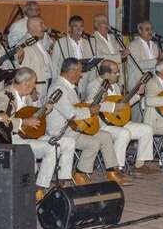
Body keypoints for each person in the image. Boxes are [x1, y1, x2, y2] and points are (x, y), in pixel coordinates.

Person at [0, 67, 77, 200]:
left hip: (30, 135)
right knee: (51, 148)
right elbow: (1, 120)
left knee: (69, 142)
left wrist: (45, 111)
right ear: (26, 82)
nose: (34, 87)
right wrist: (24, 122)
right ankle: (39, 187)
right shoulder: (4, 95)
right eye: (34, 83)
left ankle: (63, 181)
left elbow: (33, 116)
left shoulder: (26, 97)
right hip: (14, 138)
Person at [46, 58, 130, 186]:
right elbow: (71, 113)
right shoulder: (58, 88)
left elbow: (82, 105)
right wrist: (90, 111)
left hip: (75, 128)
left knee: (105, 136)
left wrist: (111, 106)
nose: (81, 75)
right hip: (63, 132)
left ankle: (111, 172)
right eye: (80, 72)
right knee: (93, 143)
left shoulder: (68, 86)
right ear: (71, 71)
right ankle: (80, 174)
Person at [86, 59, 155, 174]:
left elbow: (123, 106)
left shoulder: (115, 86)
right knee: (123, 133)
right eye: (115, 72)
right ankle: (117, 168)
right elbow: (90, 105)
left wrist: (137, 94)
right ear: (106, 74)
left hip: (118, 122)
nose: (118, 75)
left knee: (147, 129)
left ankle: (140, 164)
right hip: (102, 125)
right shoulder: (94, 85)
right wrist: (113, 106)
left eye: (118, 72)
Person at [127, 21, 162, 122]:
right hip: (138, 85)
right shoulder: (133, 45)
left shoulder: (155, 45)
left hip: (153, 85)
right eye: (147, 29)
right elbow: (138, 64)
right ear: (139, 30)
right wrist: (157, 61)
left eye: (151, 29)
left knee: (151, 116)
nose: (150, 32)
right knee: (138, 118)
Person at [18, 16, 53, 103]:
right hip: (34, 90)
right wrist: (31, 90)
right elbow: (24, 70)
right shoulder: (25, 44)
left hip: (44, 87)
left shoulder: (37, 42)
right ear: (32, 27)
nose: (45, 27)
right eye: (41, 24)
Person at [50, 15, 95, 83]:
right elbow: (54, 65)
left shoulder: (88, 43)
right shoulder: (60, 42)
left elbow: (92, 64)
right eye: (76, 26)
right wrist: (56, 82)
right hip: (67, 81)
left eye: (81, 26)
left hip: (84, 81)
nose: (79, 29)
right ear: (70, 27)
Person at [90, 14, 129, 84]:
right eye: (103, 22)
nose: (107, 24)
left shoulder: (113, 37)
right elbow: (100, 56)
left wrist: (124, 53)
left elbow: (120, 53)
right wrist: (119, 56)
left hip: (118, 76)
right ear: (96, 25)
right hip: (104, 76)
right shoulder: (92, 39)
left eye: (107, 22)